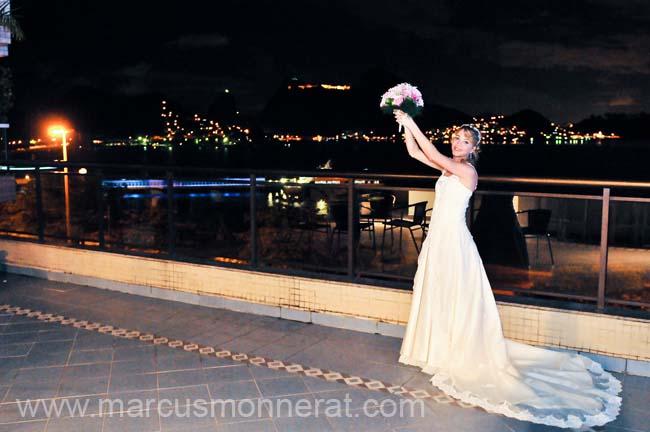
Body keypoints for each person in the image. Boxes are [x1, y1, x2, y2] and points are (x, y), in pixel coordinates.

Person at [393, 109, 622, 428]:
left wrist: (413, 120)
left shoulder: (467, 172)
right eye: (456, 139)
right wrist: (404, 125)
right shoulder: (448, 168)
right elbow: (415, 151)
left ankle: (456, 352)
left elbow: (429, 150)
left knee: (456, 294)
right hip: (437, 240)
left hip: (454, 241)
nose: (458, 143)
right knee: (437, 292)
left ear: (473, 148)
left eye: (465, 141)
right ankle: (438, 351)